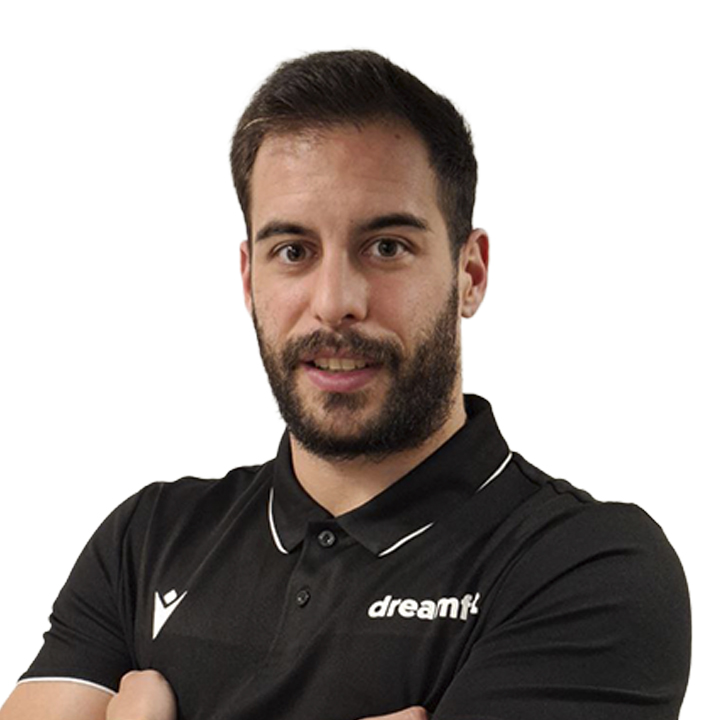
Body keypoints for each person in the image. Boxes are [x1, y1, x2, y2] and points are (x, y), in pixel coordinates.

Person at [0, 50, 691, 720]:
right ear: (249, 278)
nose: (334, 302)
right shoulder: (148, 540)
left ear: (470, 274)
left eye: (386, 247)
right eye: (293, 251)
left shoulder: (587, 567)